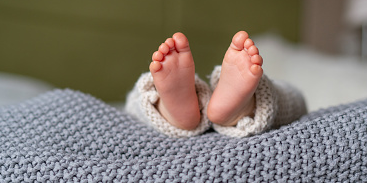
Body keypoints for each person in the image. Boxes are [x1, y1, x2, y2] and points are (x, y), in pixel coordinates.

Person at [125, 31, 307, 138]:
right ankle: (250, 107)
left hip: (251, 87)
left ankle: (163, 108)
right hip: (265, 92)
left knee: (136, 101)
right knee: (293, 97)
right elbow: (300, 104)